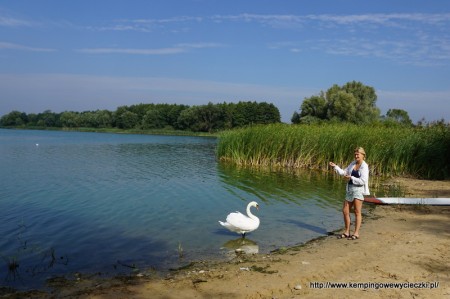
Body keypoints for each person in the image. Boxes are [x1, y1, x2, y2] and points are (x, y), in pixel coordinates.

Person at [329, 147, 370, 240]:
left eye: (358, 154)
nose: (356, 156)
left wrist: (351, 178)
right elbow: (344, 172)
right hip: (350, 189)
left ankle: (356, 233)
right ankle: (347, 232)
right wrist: (335, 166)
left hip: (359, 190)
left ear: (363, 155)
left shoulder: (364, 166)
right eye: (355, 154)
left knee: (357, 212)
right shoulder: (353, 163)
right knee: (345, 211)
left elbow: (363, 181)